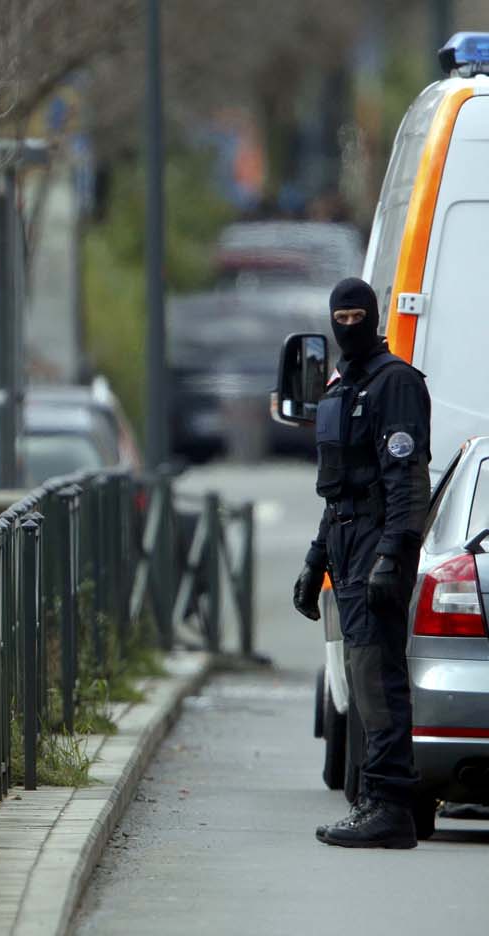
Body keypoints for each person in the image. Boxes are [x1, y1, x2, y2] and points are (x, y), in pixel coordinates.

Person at [293, 276, 431, 849]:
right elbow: (337, 492)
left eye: (357, 316)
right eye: (339, 317)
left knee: (377, 676)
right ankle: (383, 799)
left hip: (377, 542)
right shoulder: (339, 388)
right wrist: (314, 560)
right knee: (360, 673)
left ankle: (389, 803)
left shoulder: (394, 383)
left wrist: (392, 555)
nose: (347, 326)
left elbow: (405, 482)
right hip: (347, 543)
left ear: (373, 318)